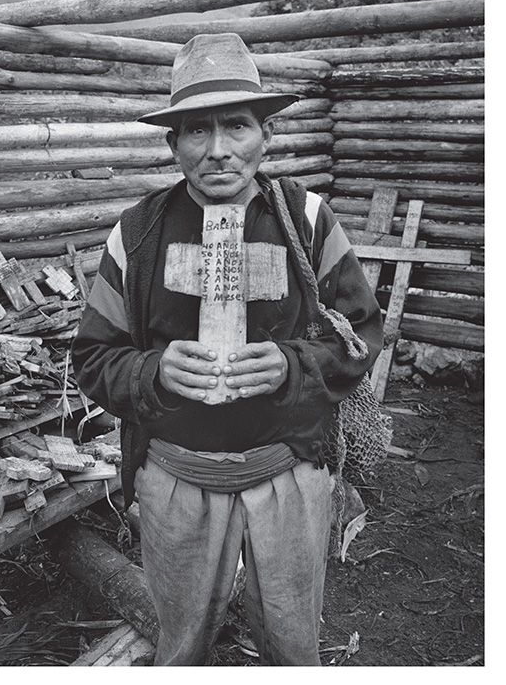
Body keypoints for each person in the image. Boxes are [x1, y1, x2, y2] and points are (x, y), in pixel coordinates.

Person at [71, 33, 383, 666]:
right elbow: (95, 357)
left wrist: (293, 364)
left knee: (293, 644)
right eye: (195, 131)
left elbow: (359, 333)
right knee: (180, 642)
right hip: (176, 481)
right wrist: (154, 371)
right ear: (172, 142)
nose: (217, 150)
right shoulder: (137, 233)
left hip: (289, 475)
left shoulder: (309, 219)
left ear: (265, 135)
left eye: (236, 125)